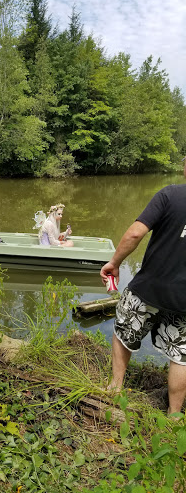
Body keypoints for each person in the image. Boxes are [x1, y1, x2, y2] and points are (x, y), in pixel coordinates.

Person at [100, 159, 186, 415]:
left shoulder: (170, 194)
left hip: (148, 288)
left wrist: (114, 263)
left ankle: (115, 388)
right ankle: (174, 415)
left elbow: (135, 233)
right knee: (181, 355)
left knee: (124, 332)